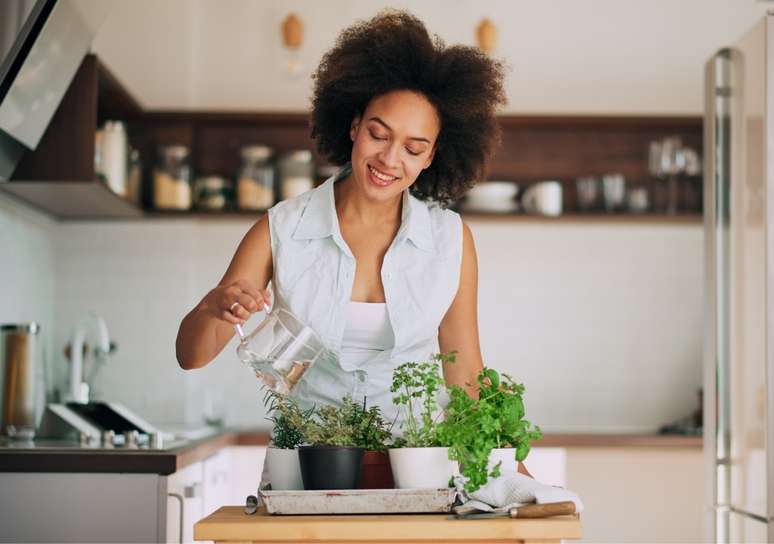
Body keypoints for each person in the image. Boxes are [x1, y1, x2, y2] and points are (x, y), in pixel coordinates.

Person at [176, 10, 530, 476]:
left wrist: (515, 475)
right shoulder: (280, 228)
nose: (389, 158)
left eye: (413, 147)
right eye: (378, 134)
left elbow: (464, 376)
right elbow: (192, 356)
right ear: (353, 126)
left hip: (413, 470)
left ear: (432, 157)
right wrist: (213, 307)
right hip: (306, 470)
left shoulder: (451, 241)